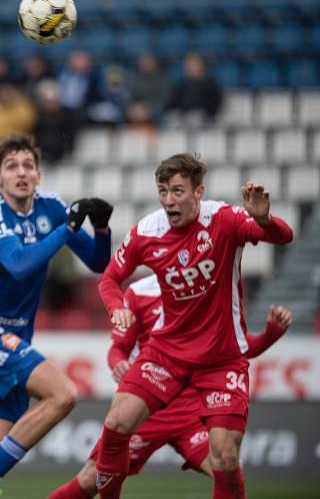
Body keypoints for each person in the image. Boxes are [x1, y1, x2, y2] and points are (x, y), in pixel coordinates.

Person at [92, 153, 293, 498]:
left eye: (178, 191)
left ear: (198, 192)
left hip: (221, 358)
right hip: (168, 351)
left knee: (225, 457)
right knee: (116, 424)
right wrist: (115, 309)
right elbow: (110, 278)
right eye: (163, 191)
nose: (169, 200)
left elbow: (283, 236)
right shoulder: (146, 231)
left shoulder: (225, 219)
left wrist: (265, 219)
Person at [0, 135, 113, 499]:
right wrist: (69, 228)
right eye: (11, 167)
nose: (21, 173)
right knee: (63, 394)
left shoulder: (51, 207)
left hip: (16, 339)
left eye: (28, 166)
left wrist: (101, 229)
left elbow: (98, 262)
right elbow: (20, 264)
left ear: (39, 175)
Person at [49, 274, 293, 498]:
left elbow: (234, 348)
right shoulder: (139, 292)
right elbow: (118, 348)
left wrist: (269, 335)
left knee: (228, 464)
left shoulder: (210, 287)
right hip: (146, 409)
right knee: (91, 479)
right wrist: (119, 363)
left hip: (190, 410)